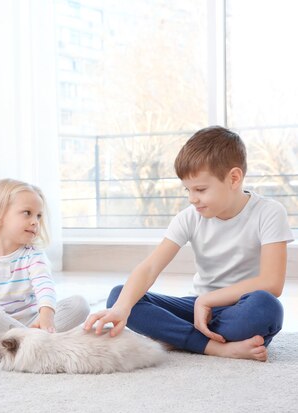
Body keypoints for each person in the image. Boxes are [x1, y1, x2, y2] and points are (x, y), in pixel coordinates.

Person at [84, 126, 293, 361]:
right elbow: (150, 268)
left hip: (238, 308)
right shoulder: (189, 216)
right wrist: (121, 309)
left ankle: (180, 337)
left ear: (234, 178)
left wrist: (208, 300)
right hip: (194, 308)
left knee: (266, 307)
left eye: (201, 189)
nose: (192, 198)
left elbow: (272, 283)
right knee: (120, 296)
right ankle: (215, 346)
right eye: (188, 189)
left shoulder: (269, 212)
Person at [0, 178, 90, 349]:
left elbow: (44, 285)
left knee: (80, 305)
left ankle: (24, 341)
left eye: (38, 215)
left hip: (32, 323)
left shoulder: (33, 254)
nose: (35, 221)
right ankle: (33, 340)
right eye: (27, 213)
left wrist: (46, 314)